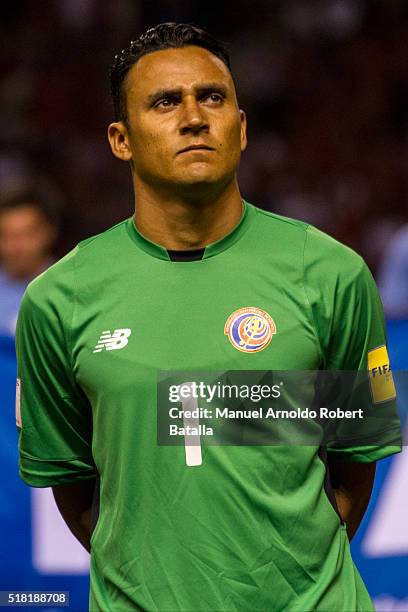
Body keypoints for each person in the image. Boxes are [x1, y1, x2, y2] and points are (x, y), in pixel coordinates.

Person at [16, 23, 401, 611]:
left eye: (212, 97)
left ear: (242, 128)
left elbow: (354, 462)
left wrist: (289, 587)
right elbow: (73, 485)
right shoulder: (57, 298)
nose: (194, 117)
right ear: (120, 139)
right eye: (165, 102)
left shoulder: (330, 273)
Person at [0, 184, 58, 336]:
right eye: (7, 235)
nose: (16, 247)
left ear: (49, 232)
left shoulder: (70, 288)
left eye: (26, 234)